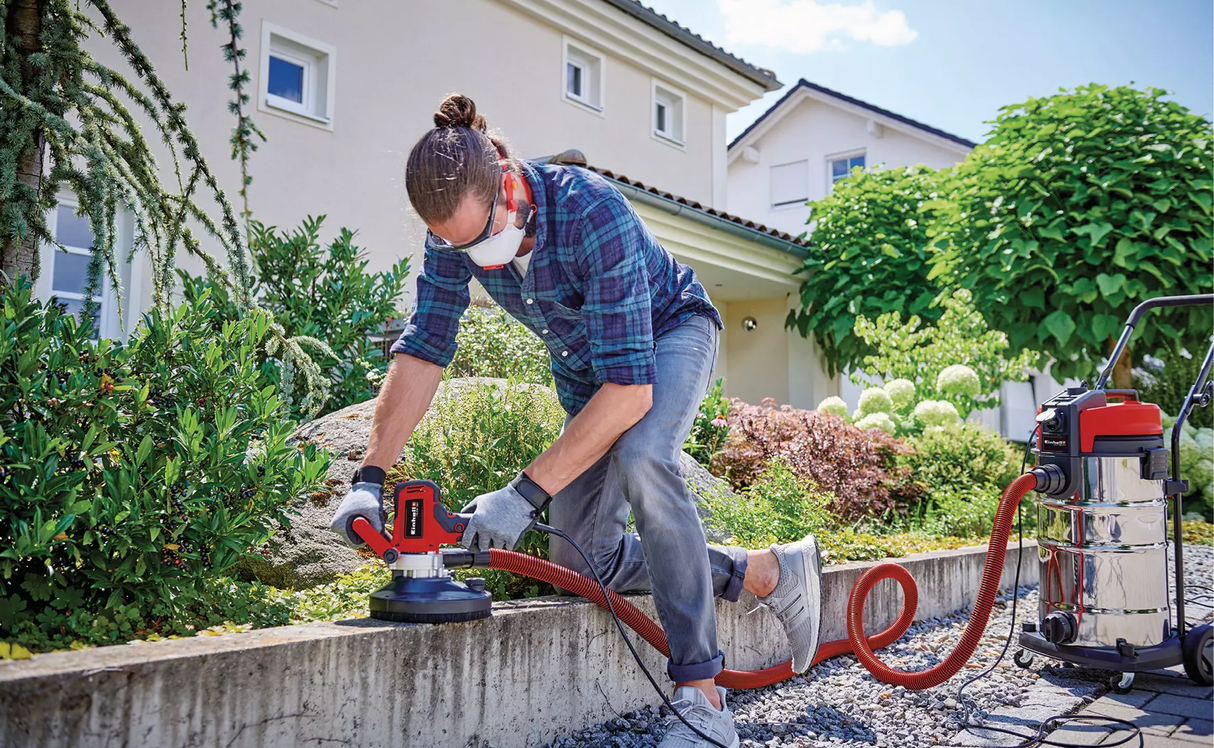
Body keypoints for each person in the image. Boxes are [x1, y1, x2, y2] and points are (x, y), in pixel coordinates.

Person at [330, 93, 823, 748]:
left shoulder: (591, 209)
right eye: (457, 246)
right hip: (589, 373)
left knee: (646, 457)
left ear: (506, 179)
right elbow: (423, 350)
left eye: (481, 238)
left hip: (669, 333)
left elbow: (630, 392)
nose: (476, 257)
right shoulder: (454, 234)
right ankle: (766, 573)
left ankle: (704, 699)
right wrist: (369, 476)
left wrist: (522, 494)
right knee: (585, 560)